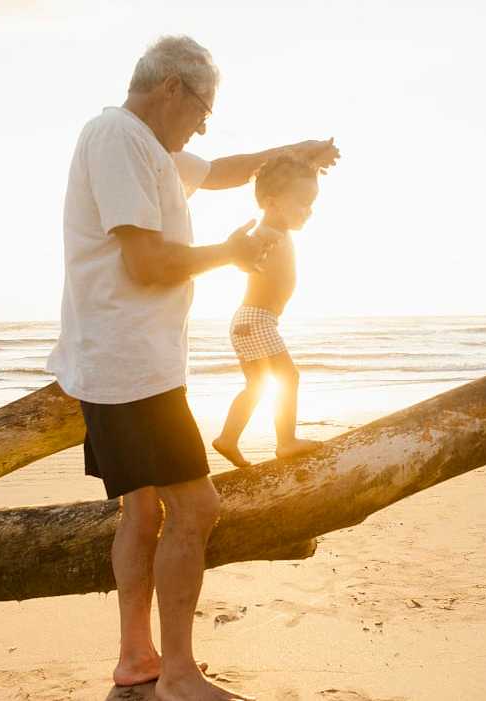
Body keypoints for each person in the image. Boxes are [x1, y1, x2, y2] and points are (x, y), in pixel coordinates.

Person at [46, 35, 338, 701]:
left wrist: (299, 151)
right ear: (172, 89)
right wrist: (230, 252)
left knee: (140, 513)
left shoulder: (151, 149)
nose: (205, 122)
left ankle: (137, 659)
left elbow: (228, 169)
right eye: (203, 107)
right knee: (196, 507)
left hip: (124, 359)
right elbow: (144, 263)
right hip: (130, 366)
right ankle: (178, 674)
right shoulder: (117, 138)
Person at [212, 155, 327, 468]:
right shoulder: (267, 234)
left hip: (249, 321)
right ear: (273, 203)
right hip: (256, 319)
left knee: (258, 385)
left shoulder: (279, 231)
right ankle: (286, 442)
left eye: (312, 201)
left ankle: (227, 439)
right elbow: (245, 251)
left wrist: (309, 163)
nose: (310, 210)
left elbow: (285, 175)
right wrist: (241, 249)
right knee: (288, 377)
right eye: (303, 202)